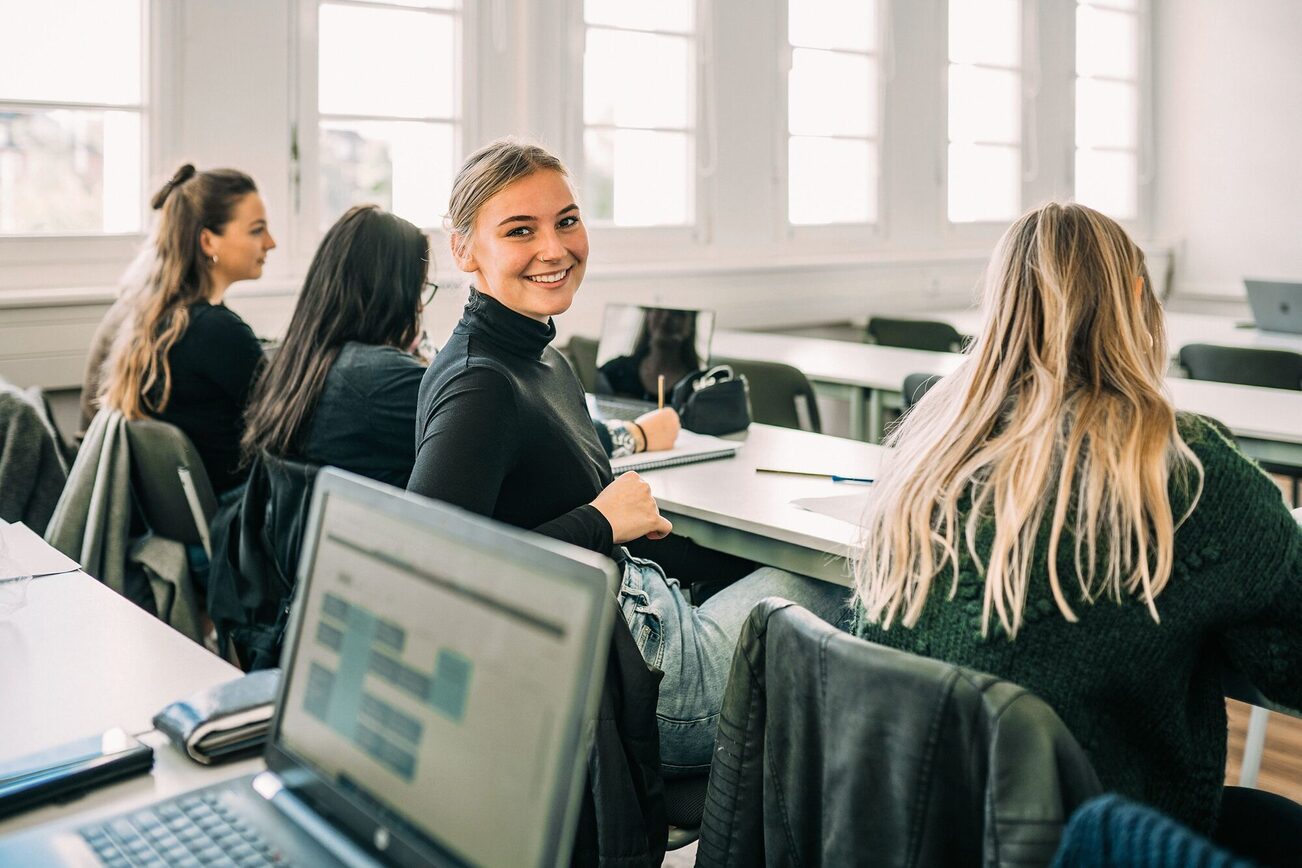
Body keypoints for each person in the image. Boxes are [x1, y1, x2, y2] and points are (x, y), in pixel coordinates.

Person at [851, 202, 1302, 858]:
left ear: (1000, 304)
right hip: (1081, 837)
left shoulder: (929, 446)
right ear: (1139, 302)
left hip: (913, 826)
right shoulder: (1185, 471)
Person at [408, 138, 846, 773]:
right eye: (519, 230)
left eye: (567, 221)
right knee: (857, 589)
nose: (555, 249)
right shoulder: (482, 382)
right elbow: (428, 576)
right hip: (630, 688)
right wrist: (602, 521)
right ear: (464, 248)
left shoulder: (540, 359)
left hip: (630, 635)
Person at [99, 164, 275, 495]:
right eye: (257, 230)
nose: (271, 242)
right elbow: (286, 423)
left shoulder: (158, 320)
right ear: (208, 241)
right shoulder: (217, 332)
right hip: (238, 517)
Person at [241, 205, 429, 487]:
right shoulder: (381, 378)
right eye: (419, 290)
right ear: (393, 293)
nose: (419, 306)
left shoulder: (298, 362)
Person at [596, 307, 704, 402]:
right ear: (648, 316)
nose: (666, 318)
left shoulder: (698, 385)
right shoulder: (615, 371)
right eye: (659, 310)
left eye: (677, 313)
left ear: (691, 325)